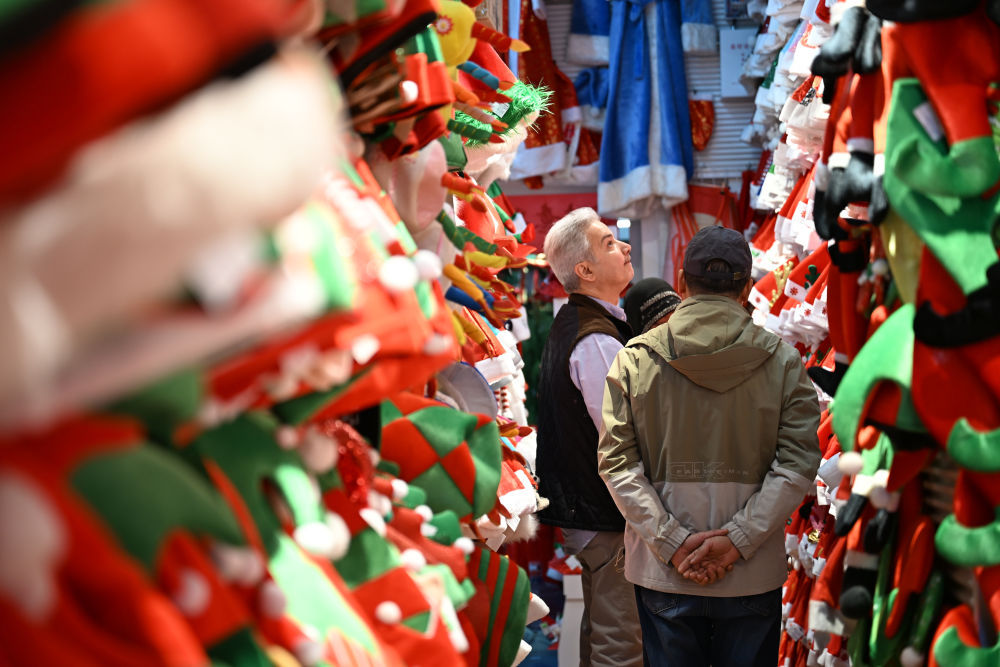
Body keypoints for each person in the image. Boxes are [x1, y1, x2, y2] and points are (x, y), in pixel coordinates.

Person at [598, 225, 821, 667]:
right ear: (746, 287)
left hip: (665, 571)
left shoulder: (635, 360)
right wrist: (739, 538)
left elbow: (617, 465)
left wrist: (673, 541)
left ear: (682, 282)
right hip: (750, 571)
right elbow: (798, 464)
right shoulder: (783, 362)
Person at [535, 207, 642, 666]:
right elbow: (620, 440)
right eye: (609, 243)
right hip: (604, 515)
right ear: (585, 270)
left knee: (604, 630)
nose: (625, 247)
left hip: (592, 512)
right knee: (621, 642)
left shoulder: (582, 325)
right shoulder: (597, 340)